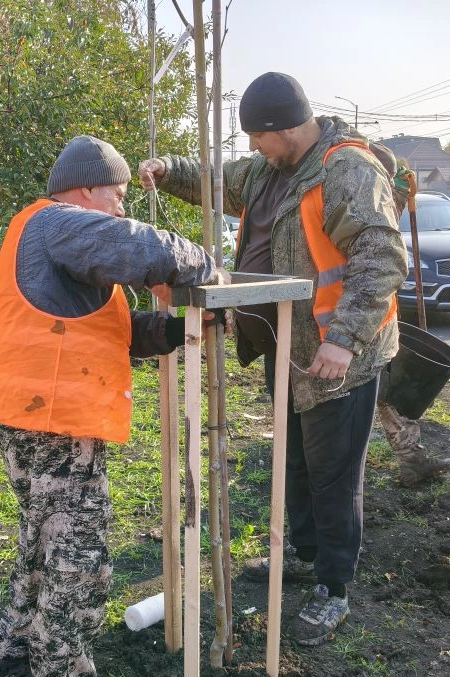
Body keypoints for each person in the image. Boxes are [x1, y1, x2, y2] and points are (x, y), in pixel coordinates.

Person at [140, 72, 407, 646]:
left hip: (338, 353)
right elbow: (218, 179)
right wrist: (170, 171)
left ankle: (332, 591)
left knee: (334, 474)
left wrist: (345, 337)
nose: (252, 149)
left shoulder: (347, 171)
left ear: (285, 127)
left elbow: (381, 256)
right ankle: (305, 556)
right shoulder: (269, 171)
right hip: (286, 344)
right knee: (295, 461)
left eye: (258, 138)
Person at [0, 135, 222, 677]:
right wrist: (201, 266)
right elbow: (140, 246)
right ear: (87, 189)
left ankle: (18, 641)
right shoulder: (60, 223)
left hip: (27, 411)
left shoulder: (39, 234)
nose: (120, 209)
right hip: (58, 421)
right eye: (116, 196)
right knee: (78, 559)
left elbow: (103, 330)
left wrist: (169, 331)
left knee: (41, 536)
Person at [380, 162, 450, 486]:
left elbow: (383, 218)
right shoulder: (350, 187)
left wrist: (399, 192)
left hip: (374, 318)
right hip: (349, 320)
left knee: (389, 394)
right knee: (379, 393)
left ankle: (413, 461)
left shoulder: (371, 193)